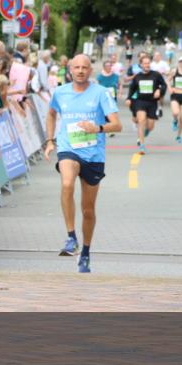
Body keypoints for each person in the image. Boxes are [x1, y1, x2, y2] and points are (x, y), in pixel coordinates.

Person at [44, 55, 122, 272]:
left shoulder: (101, 93)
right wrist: (50, 141)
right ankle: (71, 238)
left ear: (90, 71)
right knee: (67, 183)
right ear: (69, 69)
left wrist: (96, 128)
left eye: (84, 68)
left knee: (88, 210)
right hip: (68, 148)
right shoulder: (60, 92)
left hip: (93, 155)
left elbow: (117, 125)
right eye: (76, 67)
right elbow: (50, 114)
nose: (80, 71)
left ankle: (86, 252)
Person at [124, 54, 165, 154]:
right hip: (140, 101)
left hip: (152, 102)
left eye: (148, 63)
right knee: (141, 120)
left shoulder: (156, 75)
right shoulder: (137, 76)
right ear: (141, 65)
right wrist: (128, 99)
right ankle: (142, 145)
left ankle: (145, 132)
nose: (147, 65)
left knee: (150, 126)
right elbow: (132, 89)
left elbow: (163, 85)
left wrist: (159, 91)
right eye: (145, 63)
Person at [95, 60, 120, 138]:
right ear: (104, 67)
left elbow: (120, 84)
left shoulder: (115, 76)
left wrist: (119, 92)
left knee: (112, 112)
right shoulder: (100, 76)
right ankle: (105, 128)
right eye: (107, 66)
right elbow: (96, 86)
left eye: (110, 66)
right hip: (103, 97)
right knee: (104, 113)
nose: (109, 67)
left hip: (112, 97)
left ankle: (111, 130)